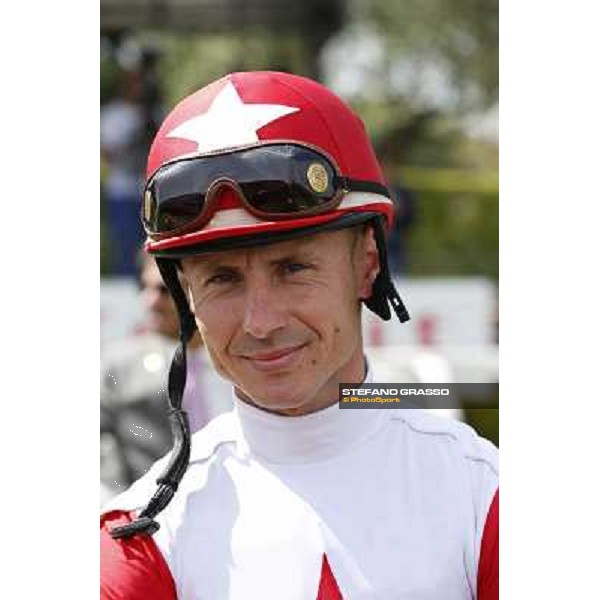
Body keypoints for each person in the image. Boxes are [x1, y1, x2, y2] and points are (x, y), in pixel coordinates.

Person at [100, 71, 498, 599]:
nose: (260, 322)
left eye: (293, 268)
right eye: (222, 278)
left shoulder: (486, 498)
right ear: (185, 294)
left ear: (368, 264)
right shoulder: (138, 533)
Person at [100, 252, 232, 502]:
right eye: (144, 287)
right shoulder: (118, 366)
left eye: (164, 290)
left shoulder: (251, 362)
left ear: (200, 290)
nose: (149, 301)